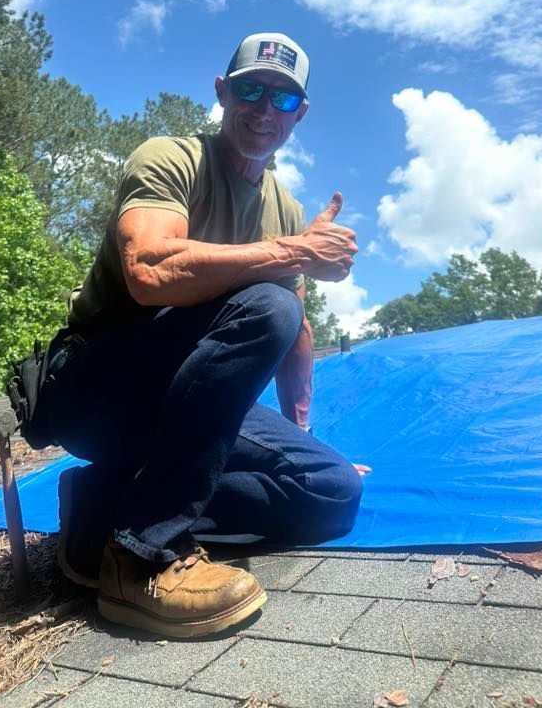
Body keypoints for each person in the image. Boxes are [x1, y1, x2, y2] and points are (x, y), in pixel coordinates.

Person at [38, 31, 363, 639]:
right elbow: (149, 270)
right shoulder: (172, 158)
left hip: (191, 392)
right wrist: (294, 252)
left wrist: (299, 435)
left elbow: (297, 327)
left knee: (331, 489)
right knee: (267, 302)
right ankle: (143, 556)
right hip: (97, 383)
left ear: (301, 113)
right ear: (222, 91)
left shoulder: (285, 208)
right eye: (250, 90)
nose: (265, 110)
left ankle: (100, 507)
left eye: (284, 99)